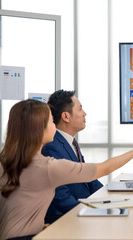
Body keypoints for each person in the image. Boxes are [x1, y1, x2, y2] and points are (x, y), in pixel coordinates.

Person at [0, 99, 133, 240]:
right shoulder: (46, 167)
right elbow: (104, 168)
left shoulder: (9, 160)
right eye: (51, 122)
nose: (54, 126)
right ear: (39, 129)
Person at [41, 90, 100, 223]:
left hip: (80, 212)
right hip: (64, 220)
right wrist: (90, 213)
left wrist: (110, 196)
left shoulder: (70, 142)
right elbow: (60, 196)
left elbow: (88, 178)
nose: (85, 113)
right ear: (66, 116)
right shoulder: (51, 146)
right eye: (80, 109)